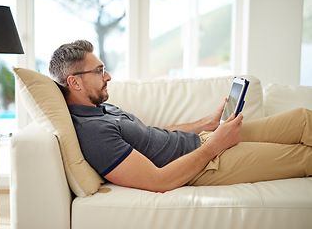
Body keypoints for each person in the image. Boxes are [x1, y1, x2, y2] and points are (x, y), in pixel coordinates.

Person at [49, 40, 312, 193]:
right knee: (304, 157)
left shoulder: (102, 108)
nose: (108, 76)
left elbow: (154, 135)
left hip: (207, 142)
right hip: (207, 165)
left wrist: (208, 124)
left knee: (302, 118)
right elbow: (158, 181)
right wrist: (216, 145)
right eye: (99, 71)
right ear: (75, 83)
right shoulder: (92, 132)